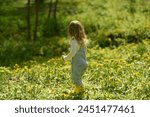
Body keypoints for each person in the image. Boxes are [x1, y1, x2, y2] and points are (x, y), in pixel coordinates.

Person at [62, 20, 87, 94]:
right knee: (77, 78)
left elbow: (72, 53)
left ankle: (80, 92)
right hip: (83, 63)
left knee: (75, 78)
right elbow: (84, 52)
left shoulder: (74, 41)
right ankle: (77, 90)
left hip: (77, 63)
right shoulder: (82, 41)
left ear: (70, 31)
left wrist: (65, 58)